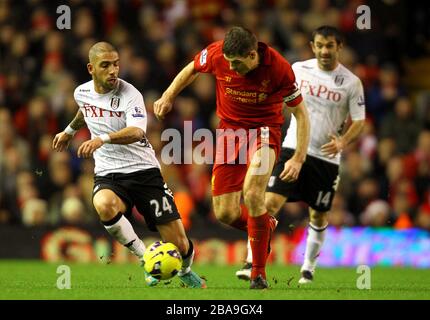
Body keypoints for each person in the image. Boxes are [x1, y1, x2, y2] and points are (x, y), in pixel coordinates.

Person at [154, 26, 310, 289]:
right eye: (229, 63)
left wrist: (298, 158)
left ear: (252, 55)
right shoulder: (217, 54)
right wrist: (168, 96)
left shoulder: (279, 68)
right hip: (229, 135)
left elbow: (302, 115)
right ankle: (264, 225)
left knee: (252, 193)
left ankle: (258, 274)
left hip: (263, 132)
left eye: (238, 63)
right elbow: (193, 67)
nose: (233, 69)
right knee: (225, 213)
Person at [52, 42, 206, 288]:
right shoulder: (81, 92)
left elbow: (136, 131)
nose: (113, 70)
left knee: (180, 244)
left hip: (144, 172)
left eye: (116, 64)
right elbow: (85, 110)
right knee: (103, 204)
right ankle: (146, 259)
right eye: (106, 65)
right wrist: (69, 131)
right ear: (91, 68)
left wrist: (101, 139)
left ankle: (186, 271)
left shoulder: (130, 94)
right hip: (109, 173)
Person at [235, 26, 366, 284]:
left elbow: (360, 121)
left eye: (330, 45)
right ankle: (253, 261)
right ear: (312, 46)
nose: (324, 50)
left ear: (339, 47)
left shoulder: (351, 82)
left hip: (325, 159)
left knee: (317, 214)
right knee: (268, 203)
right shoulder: (298, 70)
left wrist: (343, 141)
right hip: (292, 147)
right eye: (319, 45)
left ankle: (308, 268)